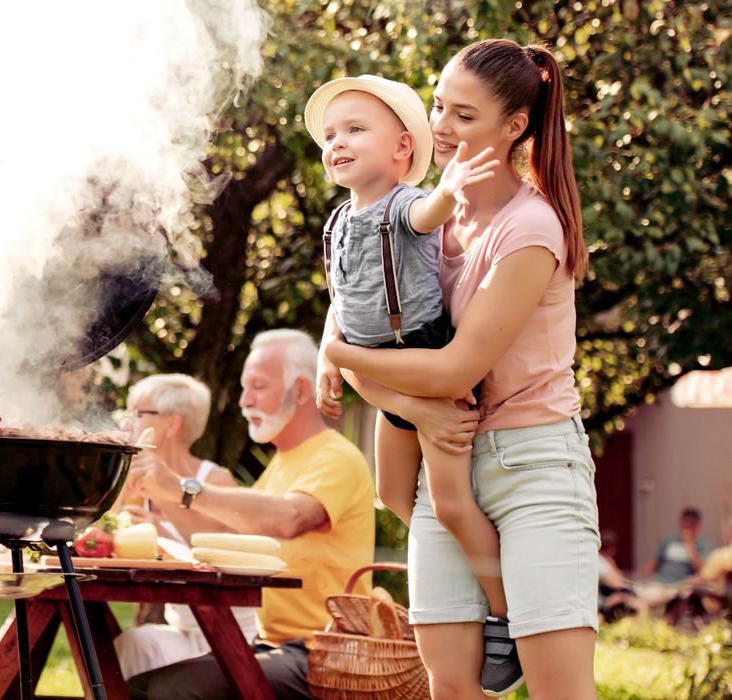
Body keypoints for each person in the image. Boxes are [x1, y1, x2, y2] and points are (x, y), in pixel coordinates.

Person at [324, 39, 600, 698]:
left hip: (532, 469)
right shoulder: (422, 219)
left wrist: (333, 353)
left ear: (515, 127)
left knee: (559, 690)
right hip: (441, 459)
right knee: (450, 688)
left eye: (465, 115)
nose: (442, 126)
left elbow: (451, 370)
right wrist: (409, 405)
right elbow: (379, 343)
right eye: (440, 105)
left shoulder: (531, 228)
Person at [302, 74, 512, 665]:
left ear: (401, 149)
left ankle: (506, 610)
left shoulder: (402, 205)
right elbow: (340, 301)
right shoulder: (339, 223)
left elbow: (430, 212)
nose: (337, 142)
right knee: (392, 491)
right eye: (330, 134)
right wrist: (327, 358)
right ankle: (472, 578)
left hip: (418, 353)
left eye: (354, 130)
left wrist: (450, 188)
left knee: (448, 501)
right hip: (380, 374)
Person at [124, 329, 376, 699]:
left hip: (325, 653)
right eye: (244, 388)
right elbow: (227, 537)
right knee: (134, 684)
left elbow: (289, 518)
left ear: (302, 391)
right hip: (274, 644)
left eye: (258, 386)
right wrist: (160, 509)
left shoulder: (334, 457)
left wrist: (181, 488)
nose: (244, 401)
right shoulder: (280, 466)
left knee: (172, 689)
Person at [111, 374, 260, 679]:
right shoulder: (133, 478)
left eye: (139, 414)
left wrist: (161, 516)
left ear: (171, 424)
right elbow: (100, 536)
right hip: (182, 630)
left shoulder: (215, 482)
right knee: (129, 646)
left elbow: (214, 554)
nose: (128, 424)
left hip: (231, 633)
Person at [646, 507, 713, 584]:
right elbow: (655, 561)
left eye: (692, 523)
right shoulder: (670, 539)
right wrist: (648, 570)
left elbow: (702, 570)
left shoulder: (704, 543)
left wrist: (689, 544)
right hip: (661, 580)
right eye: (685, 521)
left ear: (698, 525)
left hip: (685, 584)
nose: (687, 525)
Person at [596, 530, 643, 621]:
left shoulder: (601, 560)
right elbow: (617, 583)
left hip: (599, 599)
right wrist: (611, 565)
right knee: (638, 604)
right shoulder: (600, 561)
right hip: (599, 603)